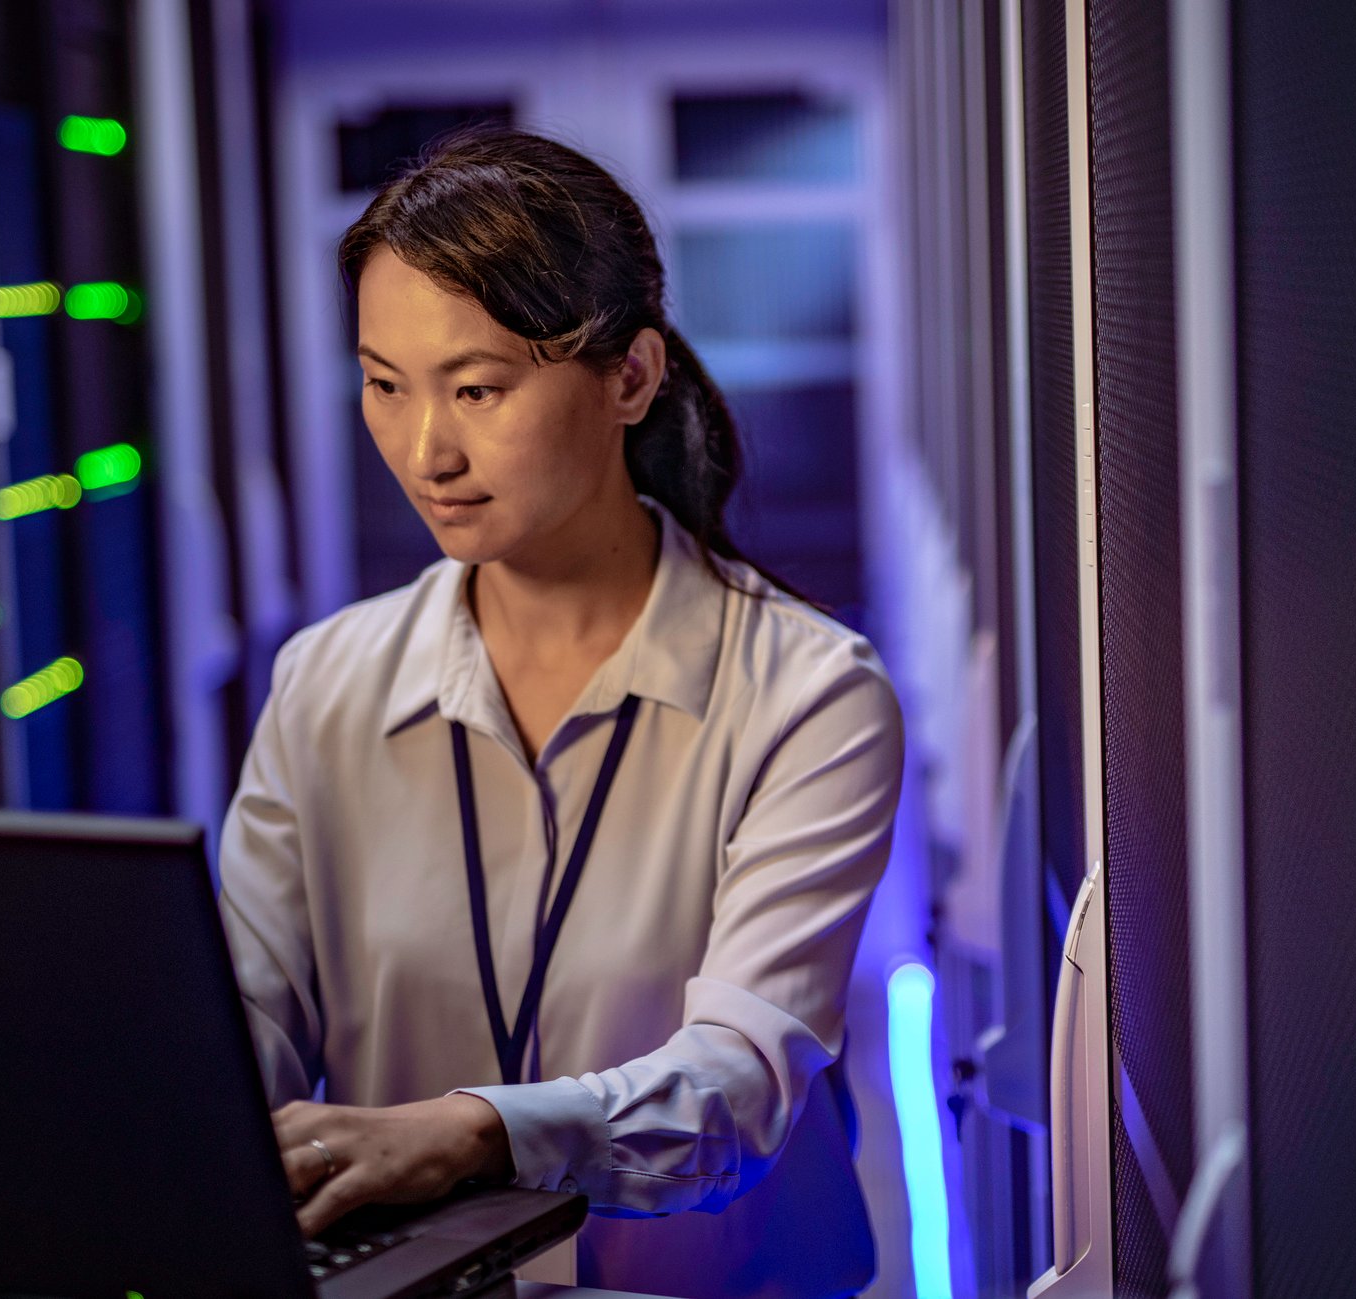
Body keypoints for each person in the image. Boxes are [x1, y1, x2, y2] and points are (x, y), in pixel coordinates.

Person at [215, 127, 904, 1299]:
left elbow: (734, 1089)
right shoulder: (325, 682)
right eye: (385, 386)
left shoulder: (810, 694)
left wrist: (476, 1129)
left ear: (628, 378)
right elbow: (242, 1022)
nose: (425, 449)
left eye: (477, 389)